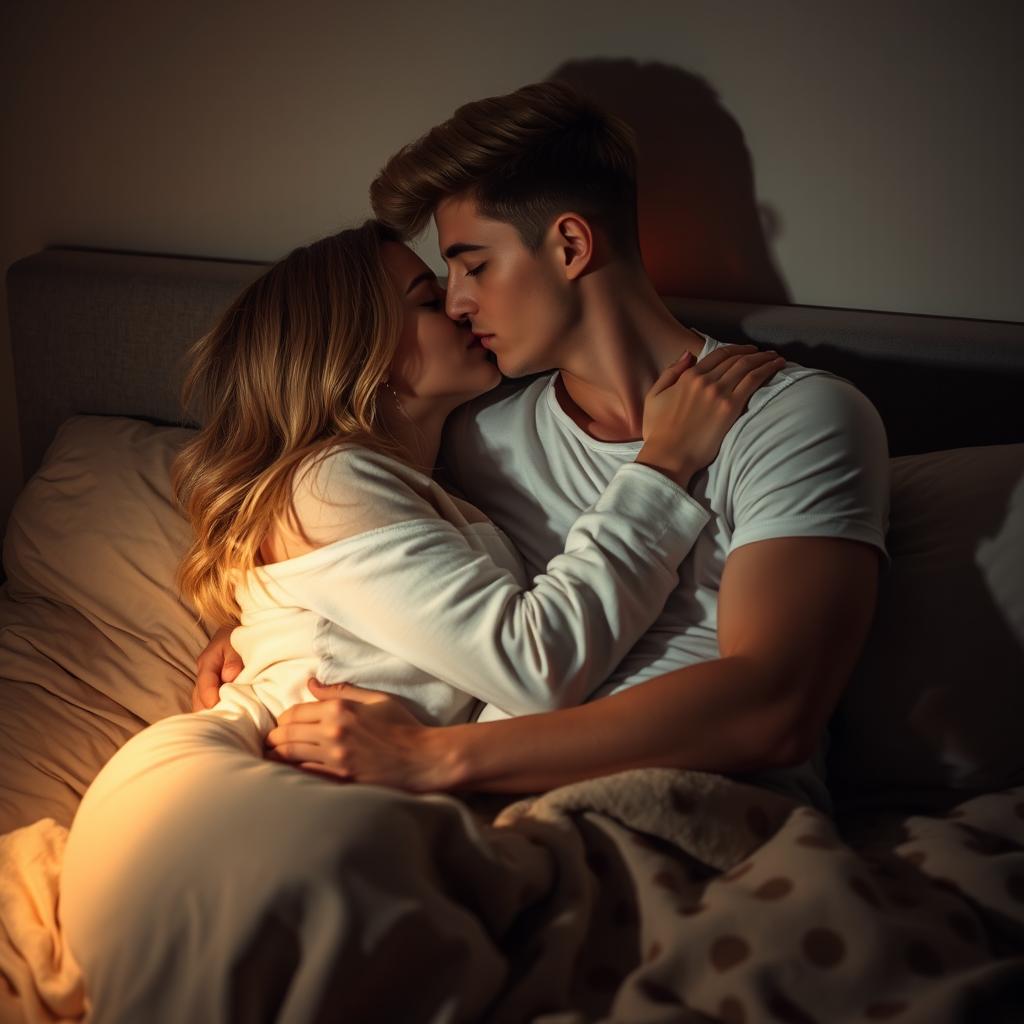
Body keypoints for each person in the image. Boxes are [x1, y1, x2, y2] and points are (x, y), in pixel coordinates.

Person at [196, 80, 889, 812]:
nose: (459, 302)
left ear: (568, 245)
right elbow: (351, 544)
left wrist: (435, 758)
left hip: (697, 810)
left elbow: (771, 710)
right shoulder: (473, 439)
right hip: (499, 826)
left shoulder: (791, 416)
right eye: (441, 285)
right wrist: (251, 629)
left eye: (474, 266)